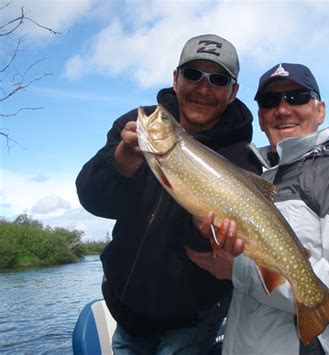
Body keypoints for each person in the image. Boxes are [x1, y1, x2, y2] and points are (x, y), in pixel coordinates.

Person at [187, 63, 329, 354]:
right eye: (270, 101)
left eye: (297, 97)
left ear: (320, 110)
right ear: (260, 118)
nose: (283, 109)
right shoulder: (257, 180)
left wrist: (239, 270)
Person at [75, 34, 261, 354]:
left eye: (218, 79)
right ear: (175, 79)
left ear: (233, 92)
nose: (203, 88)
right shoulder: (138, 125)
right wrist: (123, 159)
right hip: (128, 313)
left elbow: (230, 253)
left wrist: (209, 235)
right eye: (192, 74)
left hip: (193, 319)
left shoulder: (242, 157)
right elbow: (93, 200)